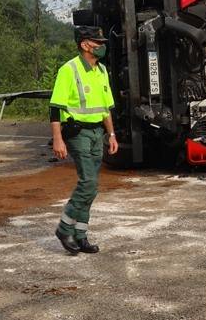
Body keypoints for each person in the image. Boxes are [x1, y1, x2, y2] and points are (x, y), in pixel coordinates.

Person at [49, 25, 118, 255]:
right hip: (78, 134)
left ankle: (80, 236)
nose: (101, 47)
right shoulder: (69, 70)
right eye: (97, 43)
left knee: (92, 187)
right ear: (84, 44)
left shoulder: (102, 71)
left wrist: (112, 134)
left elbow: (106, 107)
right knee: (88, 183)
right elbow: (55, 108)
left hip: (98, 133)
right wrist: (57, 139)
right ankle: (64, 228)